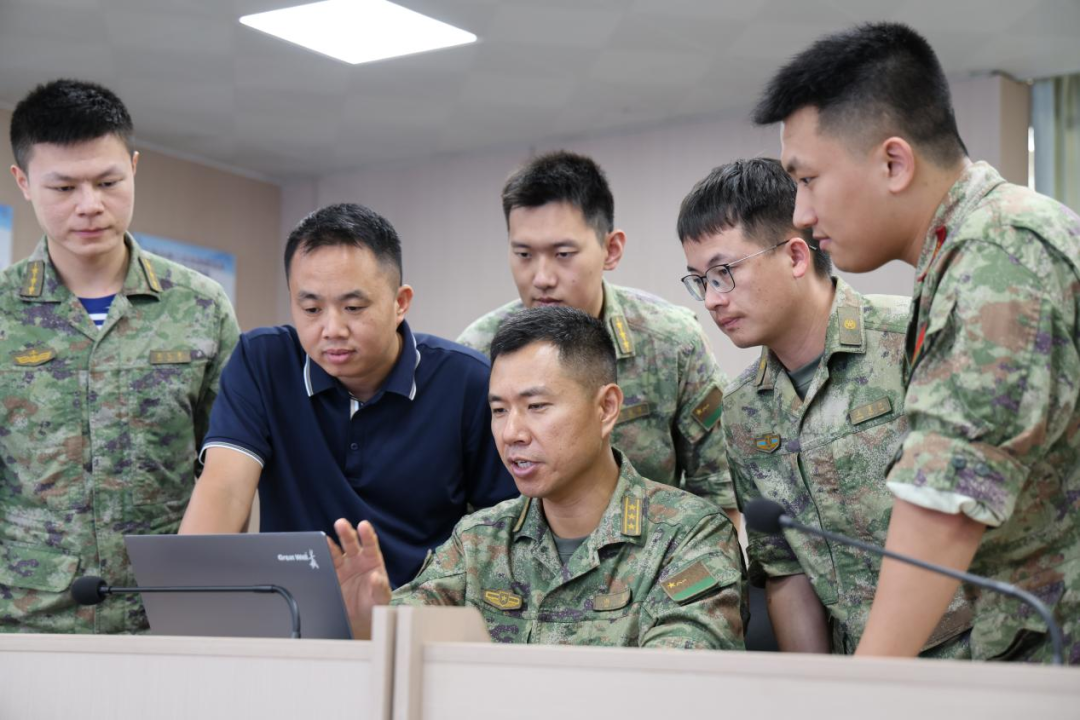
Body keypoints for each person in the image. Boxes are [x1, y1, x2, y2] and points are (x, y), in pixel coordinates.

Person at [754, 22, 1080, 663]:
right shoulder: (972, 247)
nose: (800, 213)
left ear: (894, 163)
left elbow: (945, 504)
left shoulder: (997, 253)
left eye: (808, 179)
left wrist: (867, 691)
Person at [677, 158, 970, 656]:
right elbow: (785, 568)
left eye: (723, 273)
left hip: (982, 652)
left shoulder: (911, 338)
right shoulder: (744, 409)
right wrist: (820, 689)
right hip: (860, 669)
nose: (711, 300)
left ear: (795, 256)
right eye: (699, 281)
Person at [331, 306, 746, 648]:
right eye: (499, 410)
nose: (512, 433)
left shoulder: (688, 538)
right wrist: (371, 624)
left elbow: (675, 687)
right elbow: (409, 647)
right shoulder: (478, 541)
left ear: (606, 408)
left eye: (537, 407)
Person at [1, 79, 240, 633]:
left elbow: (230, 464)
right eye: (63, 187)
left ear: (134, 168)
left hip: (165, 614)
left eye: (108, 182)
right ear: (24, 182)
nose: (90, 206)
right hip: (27, 622)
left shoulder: (200, 305)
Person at [180, 203, 516, 587]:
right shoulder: (262, 362)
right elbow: (224, 488)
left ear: (400, 303)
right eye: (311, 308)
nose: (332, 329)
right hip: (294, 608)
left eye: (353, 307)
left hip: (419, 608)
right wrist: (186, 594)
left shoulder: (467, 382)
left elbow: (501, 529)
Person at [458, 151, 736, 522]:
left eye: (563, 253)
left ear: (611, 249)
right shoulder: (476, 355)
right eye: (524, 254)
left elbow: (718, 492)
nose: (541, 278)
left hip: (655, 553)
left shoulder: (671, 342)